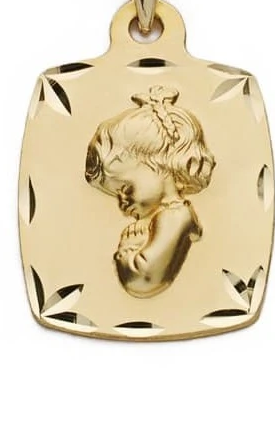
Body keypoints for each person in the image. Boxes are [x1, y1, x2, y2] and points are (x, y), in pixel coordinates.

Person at [85, 86, 215, 297]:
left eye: (125, 188)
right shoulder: (170, 215)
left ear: (160, 163)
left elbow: (141, 279)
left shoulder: (175, 216)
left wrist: (128, 248)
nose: (122, 203)